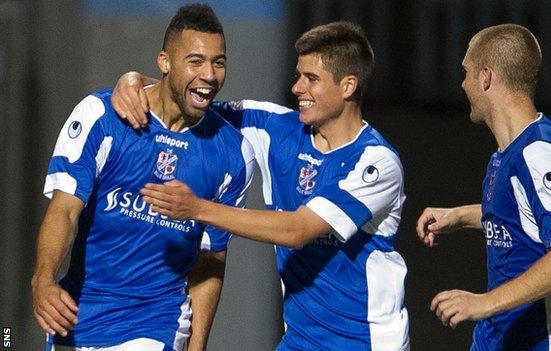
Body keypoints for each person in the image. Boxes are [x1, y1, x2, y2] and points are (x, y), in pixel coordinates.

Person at [112, 21, 410, 351]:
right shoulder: (275, 128)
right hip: (300, 341)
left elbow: (298, 230)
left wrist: (197, 209)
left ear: (348, 87)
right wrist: (133, 81)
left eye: (311, 79)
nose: (297, 88)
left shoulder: (376, 162)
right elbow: (190, 97)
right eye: (298, 75)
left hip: (366, 342)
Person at [31, 4, 254, 351]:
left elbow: (211, 259)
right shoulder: (101, 117)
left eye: (219, 62)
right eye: (195, 61)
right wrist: (43, 279)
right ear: (164, 62)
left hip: (157, 321)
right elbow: (65, 211)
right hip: (79, 316)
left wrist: (197, 348)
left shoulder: (233, 154)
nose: (210, 75)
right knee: (8, 339)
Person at [415, 24, 551, 350]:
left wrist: (483, 303)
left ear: (486, 77)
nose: (462, 84)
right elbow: (527, 217)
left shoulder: (540, 155)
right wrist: (460, 216)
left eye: (466, 72)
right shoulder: (507, 154)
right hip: (506, 338)